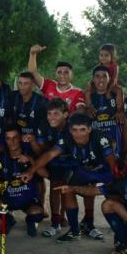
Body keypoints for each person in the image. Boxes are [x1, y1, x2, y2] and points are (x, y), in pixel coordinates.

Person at [23, 114, 119, 243]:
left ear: (90, 129)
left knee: (114, 197)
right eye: (75, 130)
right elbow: (50, 154)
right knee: (67, 190)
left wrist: (114, 183)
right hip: (85, 170)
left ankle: (119, 233)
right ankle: (74, 231)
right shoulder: (66, 138)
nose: (78, 134)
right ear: (70, 130)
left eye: (82, 129)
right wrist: (30, 171)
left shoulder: (100, 138)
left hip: (105, 170)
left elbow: (112, 163)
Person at [0, 125, 47, 237]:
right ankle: (8, 220)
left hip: (28, 201)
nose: (12, 141)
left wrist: (31, 161)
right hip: (9, 199)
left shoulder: (29, 153)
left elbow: (45, 174)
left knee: (37, 212)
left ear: (20, 138)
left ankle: (30, 221)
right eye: (8, 138)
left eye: (15, 137)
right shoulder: (0, 158)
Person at [35, 98, 74, 237]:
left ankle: (60, 219)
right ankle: (56, 221)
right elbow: (43, 149)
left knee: (61, 184)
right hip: (52, 161)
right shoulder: (44, 124)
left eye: (56, 113)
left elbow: (54, 152)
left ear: (65, 114)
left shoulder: (71, 127)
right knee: (54, 182)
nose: (52, 117)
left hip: (71, 163)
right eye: (49, 113)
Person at [27, 44, 86, 114]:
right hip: (46, 123)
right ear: (55, 73)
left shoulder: (78, 92)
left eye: (66, 72)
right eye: (59, 72)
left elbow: (81, 109)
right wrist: (32, 54)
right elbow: (32, 74)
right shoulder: (49, 84)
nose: (62, 75)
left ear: (72, 75)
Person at [84, 44, 125, 122]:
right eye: (101, 55)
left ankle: (120, 109)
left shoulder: (115, 66)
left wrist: (109, 92)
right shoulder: (99, 66)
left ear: (112, 56)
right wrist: (91, 84)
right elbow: (95, 77)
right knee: (87, 90)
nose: (103, 57)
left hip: (111, 83)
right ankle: (89, 106)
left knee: (119, 90)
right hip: (99, 84)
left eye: (106, 55)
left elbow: (114, 79)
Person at [87, 65, 122, 153]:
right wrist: (87, 110)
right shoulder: (88, 94)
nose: (101, 79)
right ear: (93, 79)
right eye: (97, 76)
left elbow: (121, 111)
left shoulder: (116, 93)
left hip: (114, 137)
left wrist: (120, 111)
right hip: (96, 137)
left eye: (104, 76)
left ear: (109, 78)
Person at [12, 71, 47, 155]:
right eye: (20, 83)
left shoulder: (42, 102)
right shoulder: (12, 97)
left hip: (34, 141)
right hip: (16, 141)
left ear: (33, 85)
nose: (22, 87)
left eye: (26, 83)